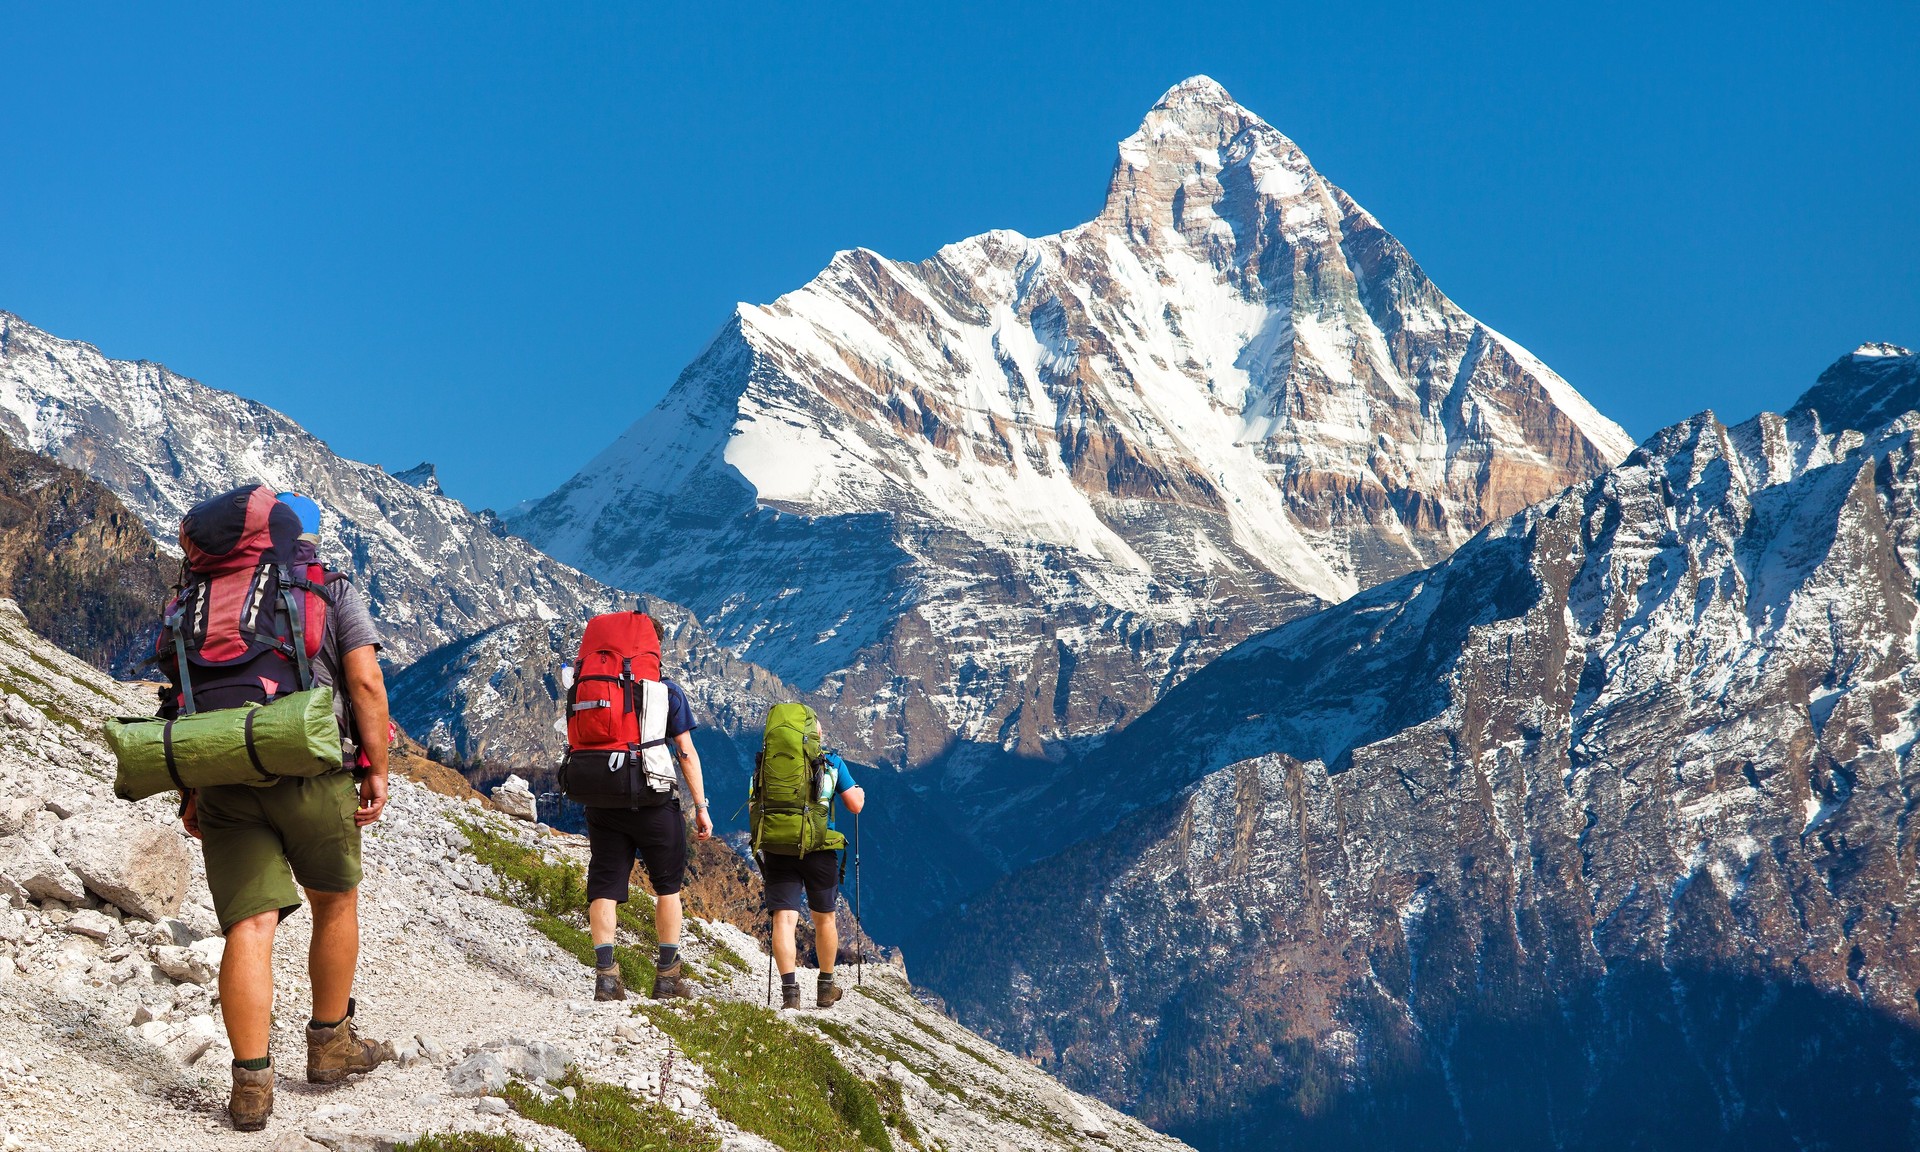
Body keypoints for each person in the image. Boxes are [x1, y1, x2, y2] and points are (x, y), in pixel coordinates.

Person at [178, 491, 394, 1131]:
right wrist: (376, 766)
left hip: (220, 774)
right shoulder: (328, 588)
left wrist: (191, 789)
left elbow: (181, 694)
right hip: (311, 771)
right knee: (334, 899)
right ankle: (329, 1047)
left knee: (249, 927)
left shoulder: (197, 597)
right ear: (305, 538)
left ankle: (250, 1089)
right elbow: (365, 684)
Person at [584, 673, 713, 1001]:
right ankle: (667, 977)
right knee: (667, 888)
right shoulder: (666, 689)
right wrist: (700, 806)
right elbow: (685, 750)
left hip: (603, 798)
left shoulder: (596, 683)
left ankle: (606, 980)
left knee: (605, 885)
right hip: (654, 799)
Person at [765, 723, 866, 1010]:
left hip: (778, 848)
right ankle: (825, 987)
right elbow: (855, 805)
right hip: (820, 850)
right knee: (825, 920)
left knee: (783, 920)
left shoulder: (769, 761)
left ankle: (790, 995)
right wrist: (859, 791)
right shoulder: (831, 761)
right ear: (816, 735)